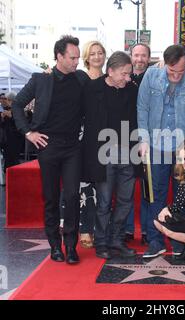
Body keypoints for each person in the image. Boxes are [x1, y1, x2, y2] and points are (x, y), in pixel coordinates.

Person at [12, 35, 88, 264]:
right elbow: (17, 104)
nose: (77, 61)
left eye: (77, 57)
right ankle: (55, 245)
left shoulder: (81, 79)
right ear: (59, 57)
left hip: (73, 146)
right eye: (73, 58)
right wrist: (28, 132)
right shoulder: (40, 80)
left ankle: (71, 246)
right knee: (51, 197)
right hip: (48, 145)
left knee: (73, 195)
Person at [137, 44, 185, 258]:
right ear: (165, 64)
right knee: (154, 196)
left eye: (181, 71)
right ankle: (155, 241)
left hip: (183, 147)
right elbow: (143, 108)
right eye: (171, 71)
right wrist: (143, 139)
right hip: (155, 146)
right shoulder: (151, 76)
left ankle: (179, 242)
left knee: (183, 197)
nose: (176, 75)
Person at [82, 51, 138, 260]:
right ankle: (102, 242)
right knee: (104, 202)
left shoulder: (131, 90)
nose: (127, 78)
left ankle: (116, 239)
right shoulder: (93, 88)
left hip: (128, 152)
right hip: (103, 154)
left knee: (126, 200)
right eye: (123, 74)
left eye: (129, 74)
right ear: (111, 71)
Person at [78, 40, 106, 249]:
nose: (97, 56)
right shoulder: (78, 77)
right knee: (82, 184)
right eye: (93, 53)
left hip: (103, 138)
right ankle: (84, 229)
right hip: (80, 137)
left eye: (100, 52)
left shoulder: (109, 79)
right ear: (86, 57)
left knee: (101, 185)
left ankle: (99, 229)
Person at [125, 43, 151, 245]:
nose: (139, 59)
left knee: (146, 187)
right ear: (130, 56)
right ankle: (125, 230)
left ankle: (147, 230)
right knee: (125, 187)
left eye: (143, 56)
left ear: (148, 58)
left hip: (148, 139)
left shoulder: (155, 78)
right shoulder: (123, 77)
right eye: (136, 55)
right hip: (124, 138)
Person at [0, 92, 24, 171]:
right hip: (7, 138)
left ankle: (14, 174)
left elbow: (22, 122)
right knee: (8, 158)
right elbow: (3, 125)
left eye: (5, 99)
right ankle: (8, 175)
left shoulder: (17, 109)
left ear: (10, 100)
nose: (3, 101)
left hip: (15, 138)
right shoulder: (6, 110)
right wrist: (3, 118)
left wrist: (11, 116)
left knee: (13, 158)